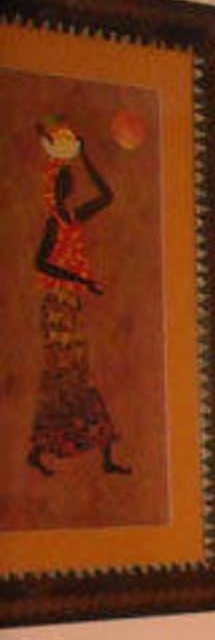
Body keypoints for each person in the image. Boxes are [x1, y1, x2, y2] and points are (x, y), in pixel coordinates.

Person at [29, 116, 126, 477]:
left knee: (75, 376)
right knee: (65, 377)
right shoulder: (54, 222)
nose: (64, 189)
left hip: (69, 304)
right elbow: (40, 262)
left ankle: (102, 454)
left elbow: (107, 196)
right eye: (61, 184)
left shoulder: (71, 217)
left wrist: (84, 156)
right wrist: (80, 279)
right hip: (57, 305)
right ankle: (43, 450)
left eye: (66, 184)